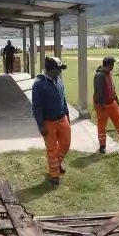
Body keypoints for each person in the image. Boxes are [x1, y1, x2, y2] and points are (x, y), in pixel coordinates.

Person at [31, 57, 71, 186]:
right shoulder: (38, 84)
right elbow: (37, 107)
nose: (60, 72)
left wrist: (67, 114)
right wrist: (41, 124)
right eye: (58, 70)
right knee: (52, 149)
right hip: (48, 122)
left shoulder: (58, 80)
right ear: (51, 69)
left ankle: (58, 163)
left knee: (66, 144)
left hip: (62, 118)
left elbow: (62, 98)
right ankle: (54, 174)